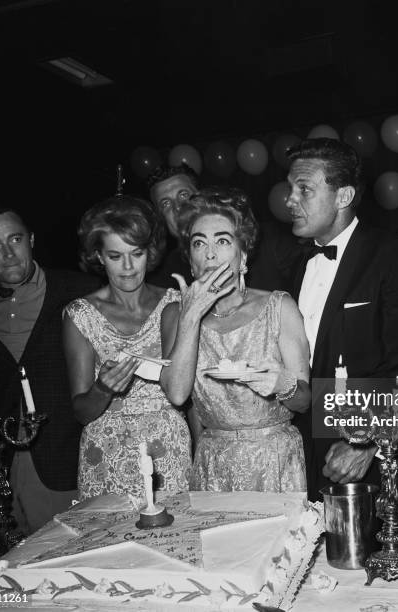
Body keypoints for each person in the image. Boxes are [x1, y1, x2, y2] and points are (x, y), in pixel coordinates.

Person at [285, 138, 398, 503]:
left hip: (368, 463)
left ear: (343, 196)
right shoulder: (295, 264)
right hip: (299, 455)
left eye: (304, 188)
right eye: (291, 188)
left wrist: (368, 444)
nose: (289, 199)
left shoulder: (397, 257)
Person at [160, 186, 310, 492]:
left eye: (223, 241)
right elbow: (176, 394)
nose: (210, 253)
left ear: (242, 255)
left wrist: (283, 385)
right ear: (190, 260)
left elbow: (305, 402)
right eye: (199, 243)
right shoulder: (175, 314)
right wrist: (191, 316)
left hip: (274, 461)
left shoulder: (278, 307)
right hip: (212, 466)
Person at [0, 205, 100, 535]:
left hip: (71, 464)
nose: (9, 254)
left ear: (32, 240)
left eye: (15, 239)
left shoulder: (81, 291)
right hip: (5, 470)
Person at [62, 195, 191, 502]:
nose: (129, 267)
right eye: (116, 256)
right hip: (105, 456)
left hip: (168, 450)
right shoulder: (79, 315)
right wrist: (103, 388)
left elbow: (190, 397)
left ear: (150, 252)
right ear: (98, 256)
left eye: (137, 253)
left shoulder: (175, 303)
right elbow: (81, 412)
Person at [146, 163, 302, 292]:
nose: (178, 207)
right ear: (160, 217)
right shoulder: (162, 280)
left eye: (183, 195)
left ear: (200, 194)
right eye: (165, 204)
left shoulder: (267, 240)